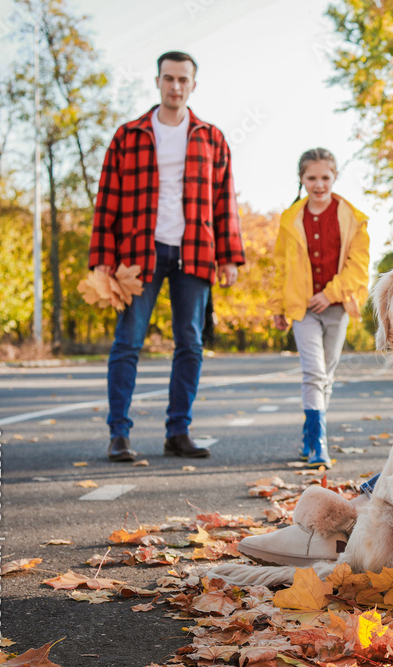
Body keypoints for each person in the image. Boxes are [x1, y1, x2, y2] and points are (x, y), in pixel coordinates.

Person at [89, 51, 244, 462]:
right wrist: (103, 256)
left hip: (195, 250)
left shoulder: (211, 137)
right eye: (169, 78)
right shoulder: (129, 134)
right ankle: (118, 434)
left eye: (183, 80)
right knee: (127, 341)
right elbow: (107, 199)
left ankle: (178, 431)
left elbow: (224, 201)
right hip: (139, 253)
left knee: (190, 343)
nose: (176, 86)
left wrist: (228, 257)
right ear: (157, 81)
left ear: (193, 84)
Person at [266, 148, 370, 467]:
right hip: (302, 308)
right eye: (312, 178)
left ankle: (309, 434)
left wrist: (330, 293)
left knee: (327, 374)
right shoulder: (290, 219)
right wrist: (278, 307)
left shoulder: (352, 218)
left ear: (335, 177)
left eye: (325, 177)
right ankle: (318, 445)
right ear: (302, 179)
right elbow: (280, 266)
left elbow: (358, 265)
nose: (319, 184)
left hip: (337, 306)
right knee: (313, 372)